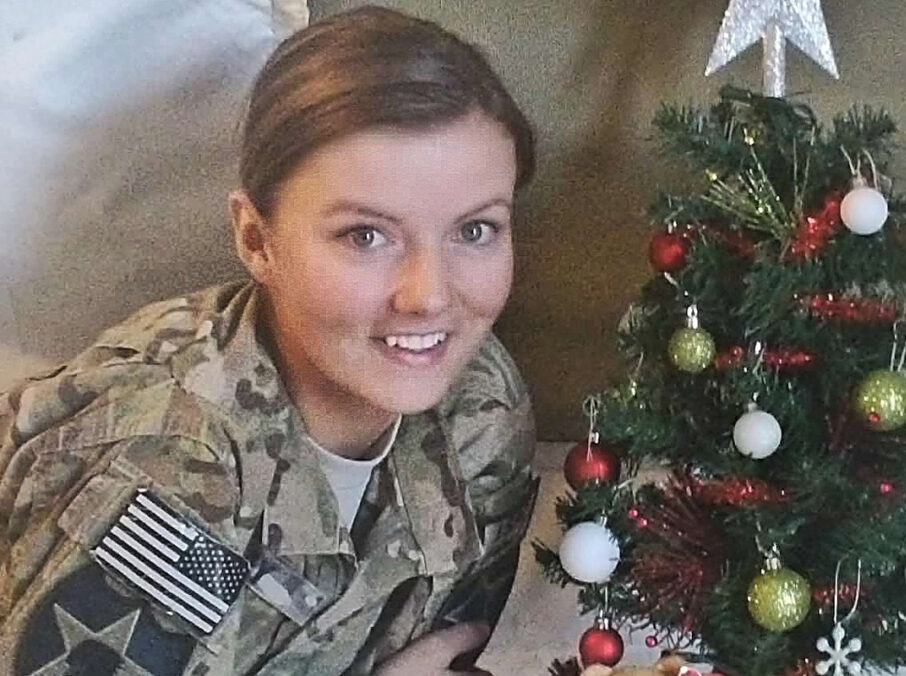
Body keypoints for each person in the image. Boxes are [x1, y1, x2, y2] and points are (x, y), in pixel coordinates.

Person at [0, 6, 537, 675]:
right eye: (365, 236)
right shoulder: (169, 477)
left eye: (475, 230)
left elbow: (445, 648)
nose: (429, 295)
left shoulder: (478, 406)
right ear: (257, 239)